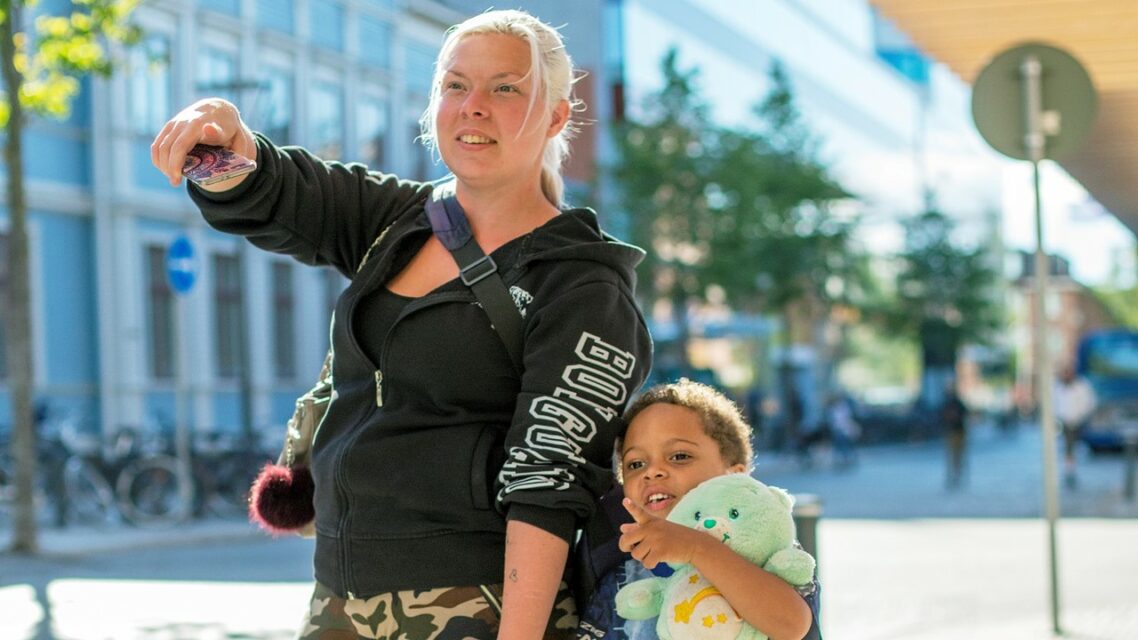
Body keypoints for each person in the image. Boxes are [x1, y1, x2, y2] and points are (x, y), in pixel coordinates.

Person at [151, 9, 653, 638]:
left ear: (555, 117)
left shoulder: (582, 284)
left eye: (505, 88)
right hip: (338, 590)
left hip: (480, 602)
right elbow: (280, 191)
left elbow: (548, 486)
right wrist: (226, 137)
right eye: (455, 85)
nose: (473, 106)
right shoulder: (398, 220)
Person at [577, 379, 820, 640]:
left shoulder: (767, 550)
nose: (653, 471)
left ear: (735, 475)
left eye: (679, 456)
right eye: (636, 464)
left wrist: (697, 547)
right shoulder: (617, 565)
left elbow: (791, 625)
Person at [1054, 365, 1097, 489]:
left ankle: (1071, 471)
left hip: (1079, 421)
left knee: (1074, 448)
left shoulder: (1082, 386)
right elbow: (1054, 405)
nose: (1066, 375)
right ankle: (1069, 472)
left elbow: (1089, 402)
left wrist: (1081, 416)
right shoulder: (1057, 387)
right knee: (1069, 448)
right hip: (1064, 422)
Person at [941, 380, 968, 490]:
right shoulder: (947, 403)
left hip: (958, 431)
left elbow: (964, 414)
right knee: (952, 456)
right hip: (951, 432)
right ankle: (953, 476)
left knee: (957, 456)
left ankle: (957, 475)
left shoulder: (957, 403)